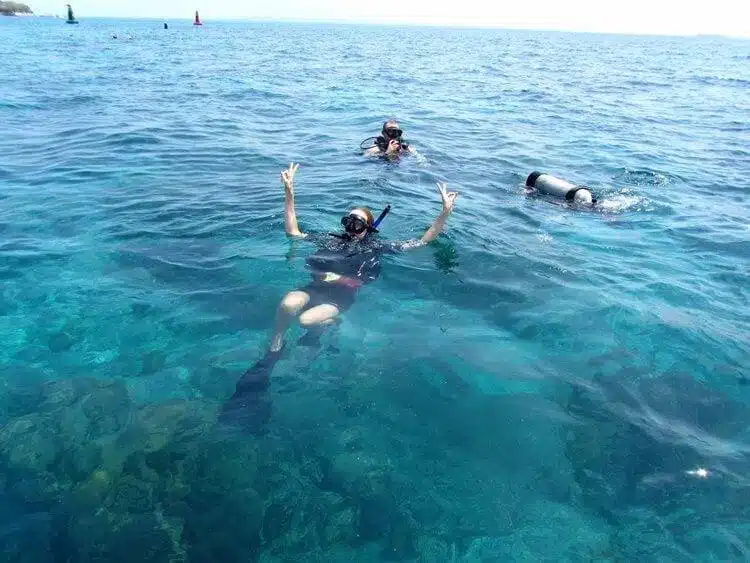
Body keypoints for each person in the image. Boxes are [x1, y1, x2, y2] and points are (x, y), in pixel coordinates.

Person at [220, 162, 458, 431]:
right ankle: (275, 347)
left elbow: (419, 242)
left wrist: (444, 215)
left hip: (340, 299)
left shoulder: (377, 247)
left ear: (368, 228)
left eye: (357, 223)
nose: (351, 227)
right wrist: (289, 194)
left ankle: (331, 322)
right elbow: (293, 233)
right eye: (348, 221)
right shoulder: (332, 240)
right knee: (288, 302)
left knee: (308, 321)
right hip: (314, 289)